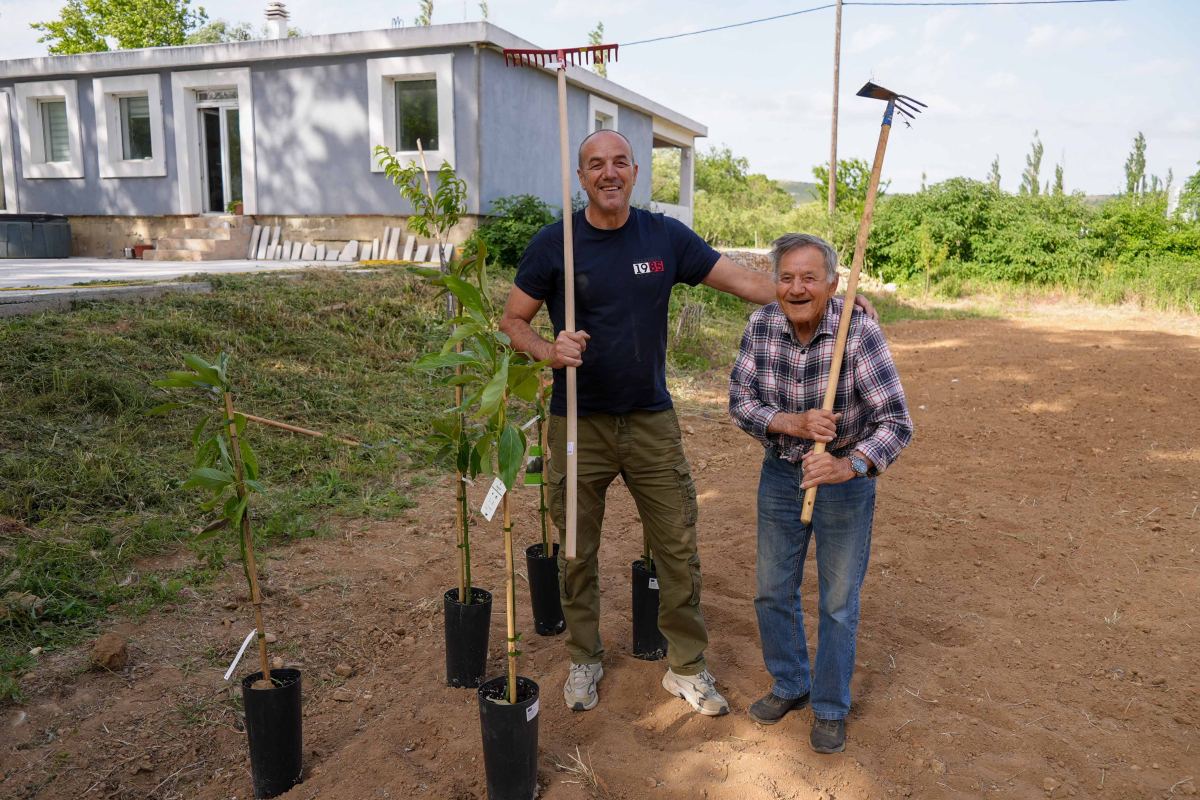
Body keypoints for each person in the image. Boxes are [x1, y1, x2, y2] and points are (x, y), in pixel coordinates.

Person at [498, 130, 879, 716]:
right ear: (581, 178)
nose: (609, 173)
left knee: (676, 545)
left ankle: (686, 668)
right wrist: (548, 350)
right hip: (577, 423)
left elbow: (752, 284)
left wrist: (833, 300)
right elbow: (512, 320)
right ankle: (585, 656)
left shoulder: (663, 236)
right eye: (595, 164)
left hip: (651, 420)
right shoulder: (556, 244)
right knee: (576, 547)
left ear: (634, 173)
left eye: (620, 162)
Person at [728, 233, 913, 752]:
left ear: (832, 283)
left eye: (810, 277)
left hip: (843, 482)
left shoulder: (859, 333)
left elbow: (897, 424)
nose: (797, 287)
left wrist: (848, 465)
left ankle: (830, 705)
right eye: (786, 277)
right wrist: (791, 422)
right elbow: (740, 400)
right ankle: (790, 682)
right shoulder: (761, 324)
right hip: (782, 473)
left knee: (836, 601)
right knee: (771, 589)